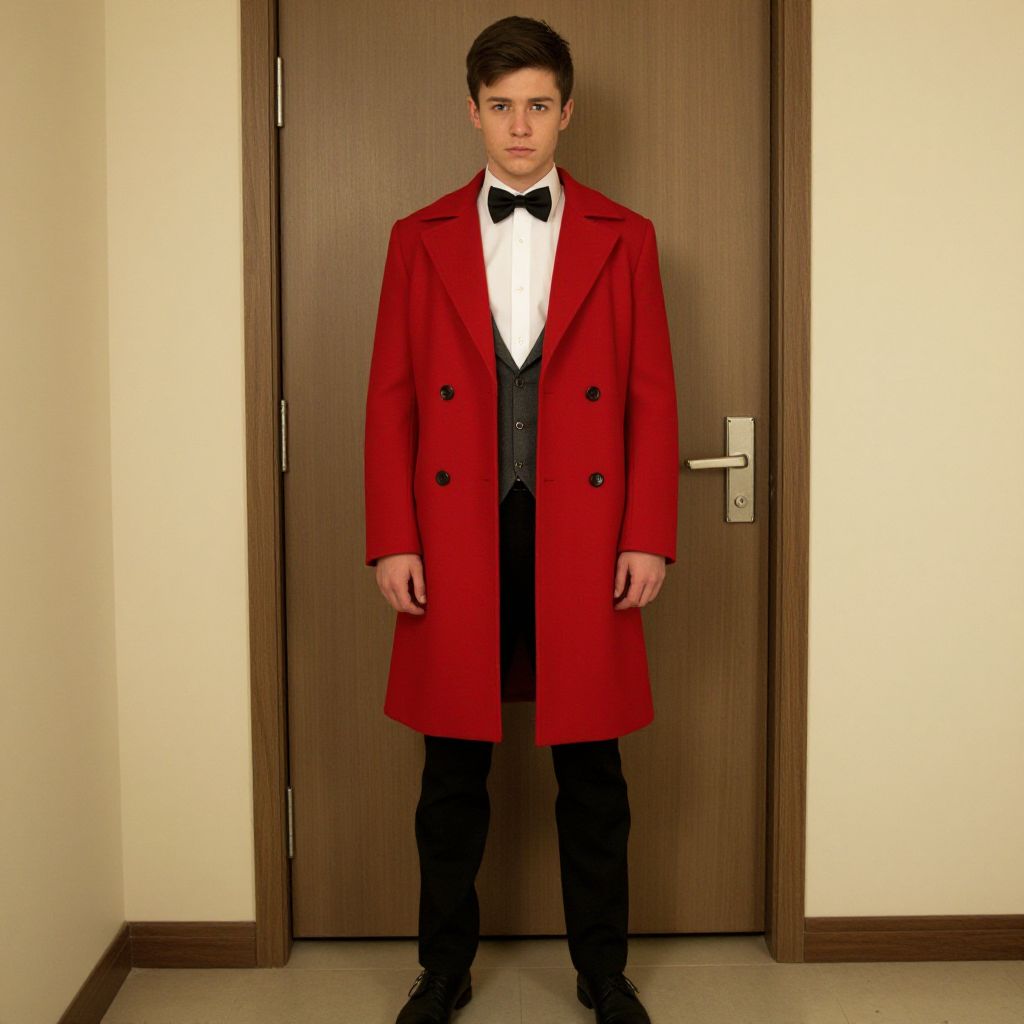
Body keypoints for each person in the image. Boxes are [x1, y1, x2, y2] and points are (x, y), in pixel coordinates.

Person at [364, 15, 678, 1024]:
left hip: (582, 541)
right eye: (500, 106)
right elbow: (390, 401)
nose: (518, 126)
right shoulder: (416, 239)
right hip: (456, 538)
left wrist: (647, 533)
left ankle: (602, 971)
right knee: (451, 772)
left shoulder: (626, 237)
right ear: (472, 111)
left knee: (592, 772)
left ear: (566, 111)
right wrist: (393, 537)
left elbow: (649, 399)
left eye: (537, 105)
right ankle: (443, 970)